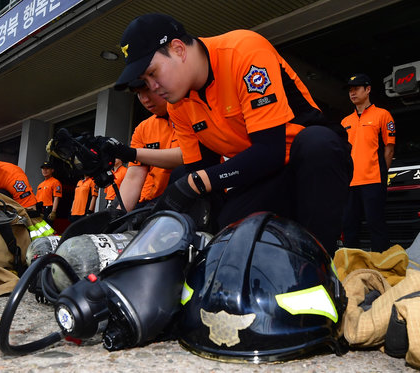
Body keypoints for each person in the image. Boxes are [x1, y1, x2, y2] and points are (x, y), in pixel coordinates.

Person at [113, 13, 352, 255]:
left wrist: (194, 183)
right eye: (144, 80)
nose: (151, 88)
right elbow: (201, 169)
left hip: (306, 161)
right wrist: (155, 216)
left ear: (178, 49)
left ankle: (322, 259)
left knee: (318, 143)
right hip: (262, 172)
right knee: (226, 232)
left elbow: (270, 150)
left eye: (152, 73)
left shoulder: (243, 51)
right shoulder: (178, 107)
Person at [341, 73, 396, 252]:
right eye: (350, 90)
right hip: (350, 183)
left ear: (368, 89)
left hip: (373, 180)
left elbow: (389, 149)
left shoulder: (382, 115)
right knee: (349, 228)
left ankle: (382, 268)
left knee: (376, 225)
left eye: (356, 89)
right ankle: (352, 270)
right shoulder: (345, 122)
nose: (353, 93)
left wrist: (381, 175)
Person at [109, 82, 182, 212]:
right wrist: (119, 215)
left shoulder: (191, 113)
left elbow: (186, 156)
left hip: (193, 197)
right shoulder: (142, 129)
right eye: (138, 93)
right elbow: (134, 177)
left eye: (148, 90)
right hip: (152, 203)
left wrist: (133, 153)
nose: (144, 99)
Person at [35, 160, 62, 224]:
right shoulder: (40, 184)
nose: (45, 170)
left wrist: (53, 211)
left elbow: (56, 197)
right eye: (43, 169)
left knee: (48, 229)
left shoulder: (55, 182)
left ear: (52, 170)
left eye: (47, 169)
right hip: (39, 210)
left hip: (48, 209)